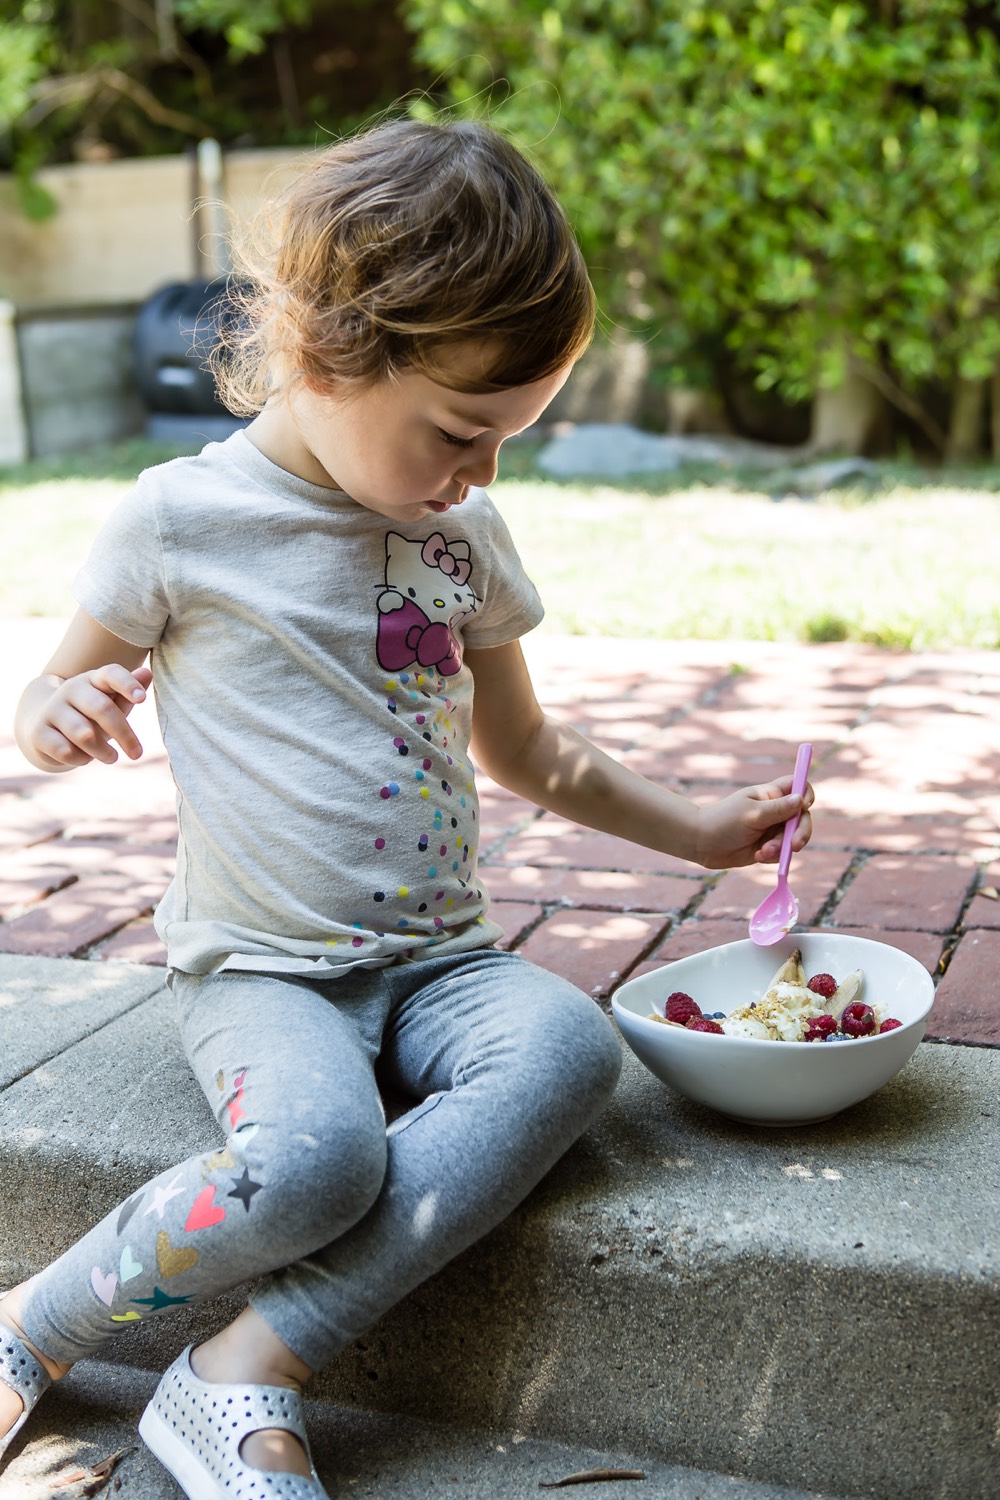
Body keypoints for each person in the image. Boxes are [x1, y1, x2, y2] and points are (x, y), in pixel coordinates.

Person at [3, 116, 813, 1499]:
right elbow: (47, 701)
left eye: (508, 437)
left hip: (439, 962)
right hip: (262, 969)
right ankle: (40, 1324)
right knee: (317, 1161)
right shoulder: (176, 523)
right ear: (323, 358)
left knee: (566, 1044)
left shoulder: (463, 542)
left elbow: (533, 753)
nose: (485, 472)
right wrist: (58, 715)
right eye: (461, 431)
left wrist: (700, 833)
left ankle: (243, 1372)